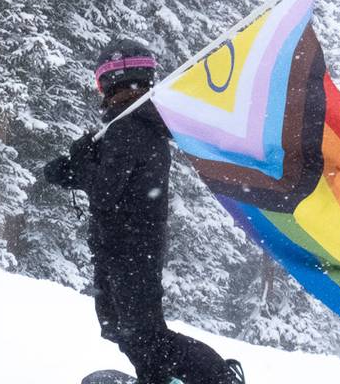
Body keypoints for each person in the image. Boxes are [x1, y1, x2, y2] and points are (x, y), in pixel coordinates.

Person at [42, 38, 245, 384]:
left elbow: (105, 191)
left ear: (110, 80)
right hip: (118, 246)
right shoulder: (130, 126)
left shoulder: (130, 128)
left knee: (144, 334)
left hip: (133, 248)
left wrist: (79, 161)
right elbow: (112, 179)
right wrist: (70, 171)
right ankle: (159, 378)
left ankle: (219, 377)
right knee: (118, 326)